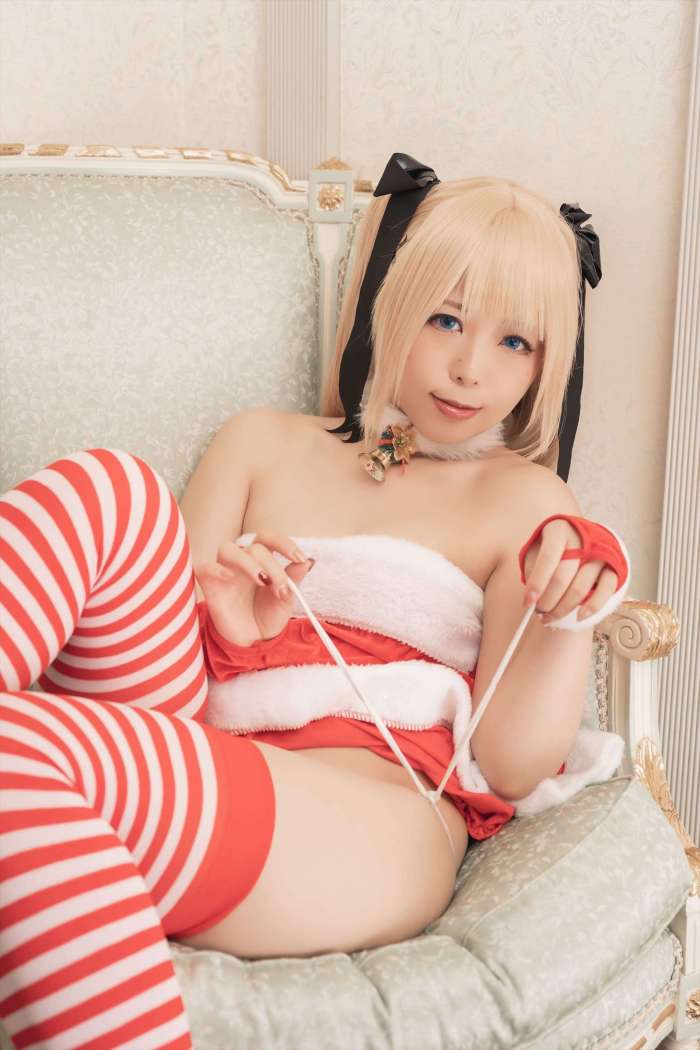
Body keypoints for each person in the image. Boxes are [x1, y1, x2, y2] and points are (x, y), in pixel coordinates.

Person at [0, 156, 630, 1050]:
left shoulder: (526, 503)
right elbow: (156, 666)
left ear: (545, 363)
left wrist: (567, 612)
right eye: (446, 318)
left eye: (514, 343)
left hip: (371, 819)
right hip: (195, 740)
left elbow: (514, 763)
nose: (469, 368)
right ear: (393, 305)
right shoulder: (260, 443)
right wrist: (227, 627)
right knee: (108, 487)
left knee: (15, 749)